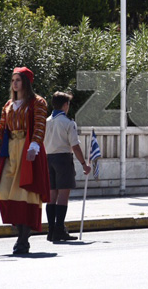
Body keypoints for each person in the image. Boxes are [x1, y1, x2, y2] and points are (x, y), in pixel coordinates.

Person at [0, 67, 50, 255]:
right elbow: (2, 131)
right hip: (10, 153)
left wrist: (34, 146)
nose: (14, 83)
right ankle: (21, 235)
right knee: (6, 193)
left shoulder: (38, 102)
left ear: (26, 82)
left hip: (28, 150)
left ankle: (23, 240)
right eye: (13, 80)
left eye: (18, 80)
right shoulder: (8, 105)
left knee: (25, 194)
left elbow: (40, 127)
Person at [44, 92, 91, 242]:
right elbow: (75, 146)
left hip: (48, 158)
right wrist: (84, 164)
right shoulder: (68, 122)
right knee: (63, 195)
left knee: (52, 196)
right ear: (65, 105)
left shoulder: (46, 121)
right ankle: (59, 229)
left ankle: (51, 230)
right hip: (63, 158)